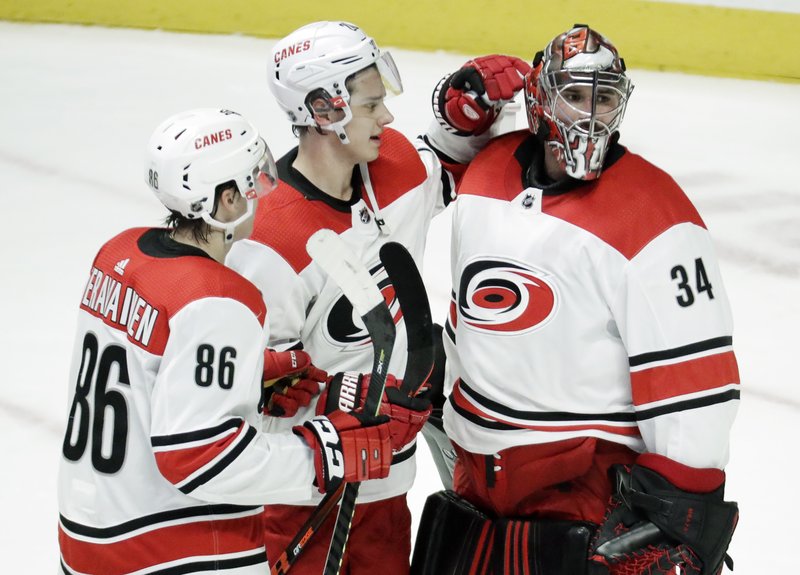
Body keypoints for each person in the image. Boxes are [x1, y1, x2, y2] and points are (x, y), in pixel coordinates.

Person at [412, 25, 740, 575]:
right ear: (539, 99)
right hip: (474, 488)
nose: (592, 114)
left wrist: (678, 514)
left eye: (606, 97)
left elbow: (695, 385)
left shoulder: (655, 216)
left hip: (587, 500)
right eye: (576, 94)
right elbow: (390, 202)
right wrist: (448, 133)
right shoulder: (486, 172)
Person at [57, 108, 424, 575]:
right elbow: (198, 459)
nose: (265, 192)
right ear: (225, 201)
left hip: (90, 533)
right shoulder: (221, 298)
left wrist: (247, 378)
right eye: (253, 182)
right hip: (175, 550)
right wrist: (325, 451)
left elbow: (151, 382)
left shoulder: (118, 252)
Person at [225, 20, 530, 574]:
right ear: (323, 111)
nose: (387, 118)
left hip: (389, 486)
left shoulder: (390, 165)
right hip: (308, 504)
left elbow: (448, 169)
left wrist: (468, 109)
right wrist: (348, 402)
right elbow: (253, 397)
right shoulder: (269, 246)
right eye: (370, 106)